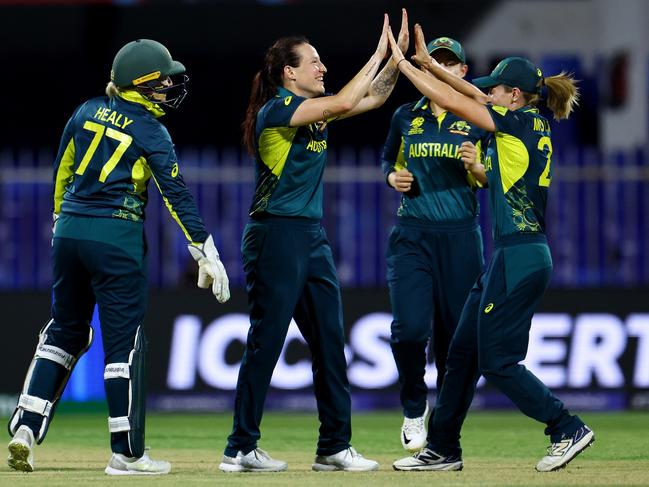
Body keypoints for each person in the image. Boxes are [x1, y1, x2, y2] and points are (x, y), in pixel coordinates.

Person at [6, 39, 230, 475]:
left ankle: (25, 429)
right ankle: (126, 454)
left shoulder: (84, 110)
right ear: (142, 83)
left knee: (64, 332)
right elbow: (175, 194)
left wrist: (60, 225)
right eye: (163, 80)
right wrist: (206, 252)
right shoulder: (151, 131)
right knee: (123, 343)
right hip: (117, 238)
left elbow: (63, 173)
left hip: (69, 232)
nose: (170, 86)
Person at [387, 23, 594, 472]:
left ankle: (565, 426)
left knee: (497, 361)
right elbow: (466, 94)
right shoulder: (522, 122)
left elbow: (454, 99)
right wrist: (427, 64)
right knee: (461, 353)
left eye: (495, 90)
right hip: (510, 254)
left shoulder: (516, 121)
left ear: (514, 95)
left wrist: (404, 63)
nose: (487, 95)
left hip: (520, 255)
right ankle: (443, 448)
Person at [219, 12, 407, 473]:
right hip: (275, 233)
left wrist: (398, 61)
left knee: (330, 341)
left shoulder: (314, 116)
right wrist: (379, 52)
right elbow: (345, 102)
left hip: (310, 235)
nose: (323, 68)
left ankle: (334, 448)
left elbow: (375, 98)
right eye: (314, 62)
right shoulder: (279, 110)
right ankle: (240, 448)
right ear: (290, 73)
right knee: (266, 340)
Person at [381, 35, 487, 453]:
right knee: (408, 331)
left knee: (456, 339)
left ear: (462, 72)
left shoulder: (478, 117)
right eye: (431, 63)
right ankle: (412, 409)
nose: (437, 69)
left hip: (461, 237)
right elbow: (388, 159)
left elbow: (491, 178)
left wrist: (476, 168)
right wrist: (393, 178)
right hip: (413, 235)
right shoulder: (406, 115)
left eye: (448, 64)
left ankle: (444, 428)